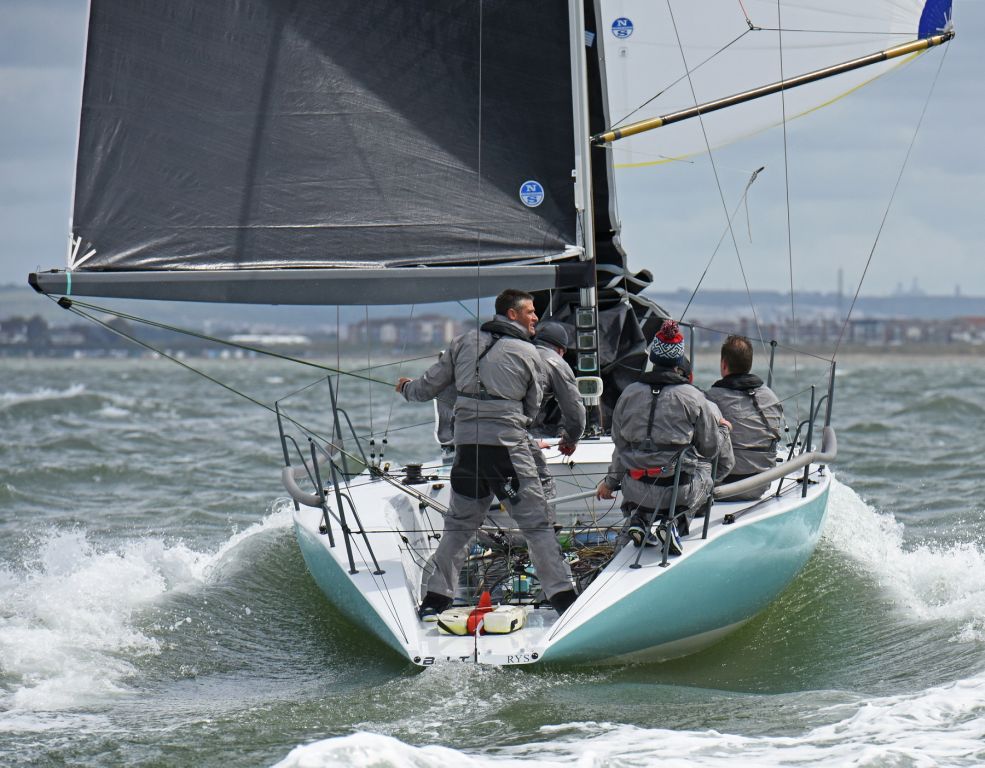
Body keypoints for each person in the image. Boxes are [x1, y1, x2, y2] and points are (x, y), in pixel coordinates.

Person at [396, 289, 577, 617]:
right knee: (537, 525)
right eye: (531, 312)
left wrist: (406, 388)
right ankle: (562, 596)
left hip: (467, 450)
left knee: (459, 525)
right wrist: (569, 435)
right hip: (508, 451)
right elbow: (533, 408)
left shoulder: (462, 342)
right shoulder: (531, 353)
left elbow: (426, 387)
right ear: (512, 314)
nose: (536, 317)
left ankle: (436, 599)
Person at [596, 319, 730, 554]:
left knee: (638, 463)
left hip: (634, 490)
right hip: (676, 493)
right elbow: (709, 449)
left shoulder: (628, 394)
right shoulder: (693, 397)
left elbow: (620, 447)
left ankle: (639, 520)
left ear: (653, 359)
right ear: (678, 362)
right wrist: (723, 430)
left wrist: (610, 483)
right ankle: (675, 522)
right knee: (705, 473)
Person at [705, 335, 783, 500]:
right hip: (761, 484)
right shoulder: (771, 397)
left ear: (724, 364)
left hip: (722, 486)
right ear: (749, 364)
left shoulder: (710, 399)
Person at [528, 321, 586, 509]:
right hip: (512, 435)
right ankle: (545, 535)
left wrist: (530, 439)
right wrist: (569, 439)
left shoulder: (519, 354)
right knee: (544, 487)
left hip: (475, 433)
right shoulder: (555, 361)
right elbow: (575, 413)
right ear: (561, 350)